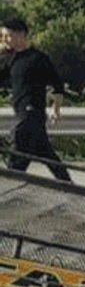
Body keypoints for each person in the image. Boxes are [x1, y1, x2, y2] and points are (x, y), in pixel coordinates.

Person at [0, 17, 71, 181]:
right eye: (3, 36)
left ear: (21, 35)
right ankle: (73, 189)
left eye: (8, 36)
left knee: (15, 165)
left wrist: (56, 109)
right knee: (50, 161)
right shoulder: (10, 60)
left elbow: (57, 85)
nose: (5, 39)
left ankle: (9, 193)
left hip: (29, 117)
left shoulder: (38, 58)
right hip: (32, 121)